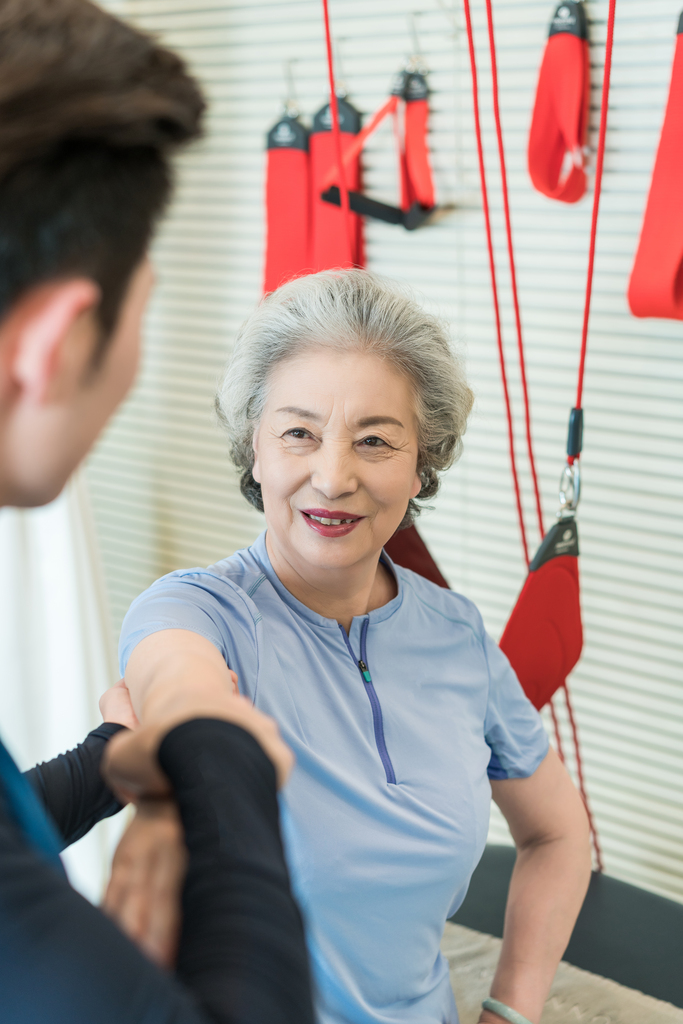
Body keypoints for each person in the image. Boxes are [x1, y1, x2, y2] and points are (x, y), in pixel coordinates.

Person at [120, 269, 593, 1024]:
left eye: (374, 440)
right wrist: (195, 726)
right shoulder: (196, 609)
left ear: (421, 462)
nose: (332, 476)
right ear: (255, 448)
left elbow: (558, 833)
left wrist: (512, 1008)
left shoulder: (456, 637)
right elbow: (180, 681)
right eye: (298, 433)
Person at [0, 2, 314, 1023]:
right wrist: (221, 762)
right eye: (146, 304)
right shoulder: (198, 601)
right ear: (55, 344)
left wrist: (110, 766)